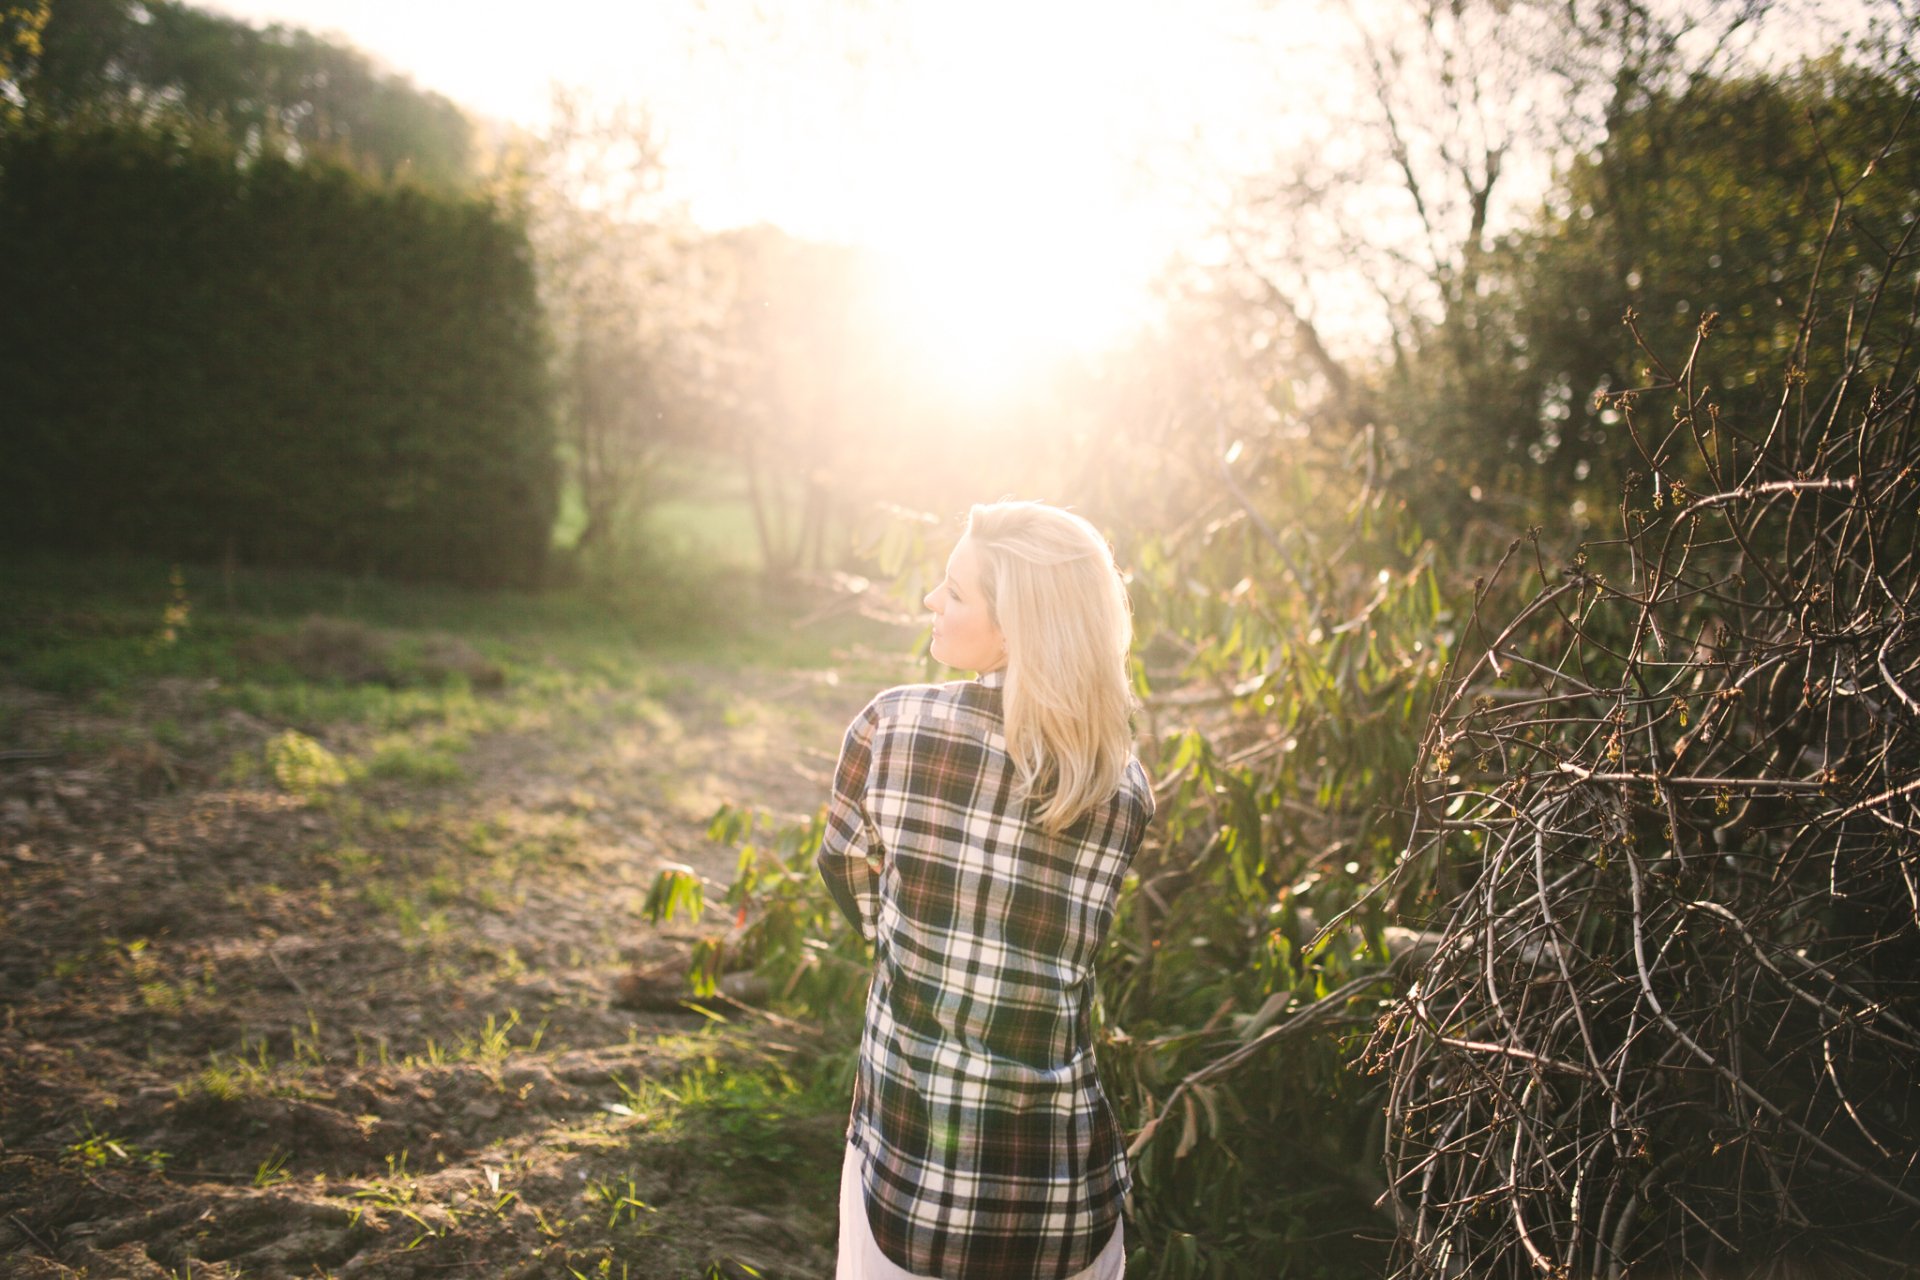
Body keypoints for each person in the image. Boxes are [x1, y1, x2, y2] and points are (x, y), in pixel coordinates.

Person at [818, 500, 1155, 1280]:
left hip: (912, 1173)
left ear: (1017, 628)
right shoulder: (1121, 782)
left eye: (955, 591)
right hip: (1066, 1192)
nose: (932, 600)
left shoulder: (893, 727)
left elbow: (850, 881)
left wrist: (916, 946)